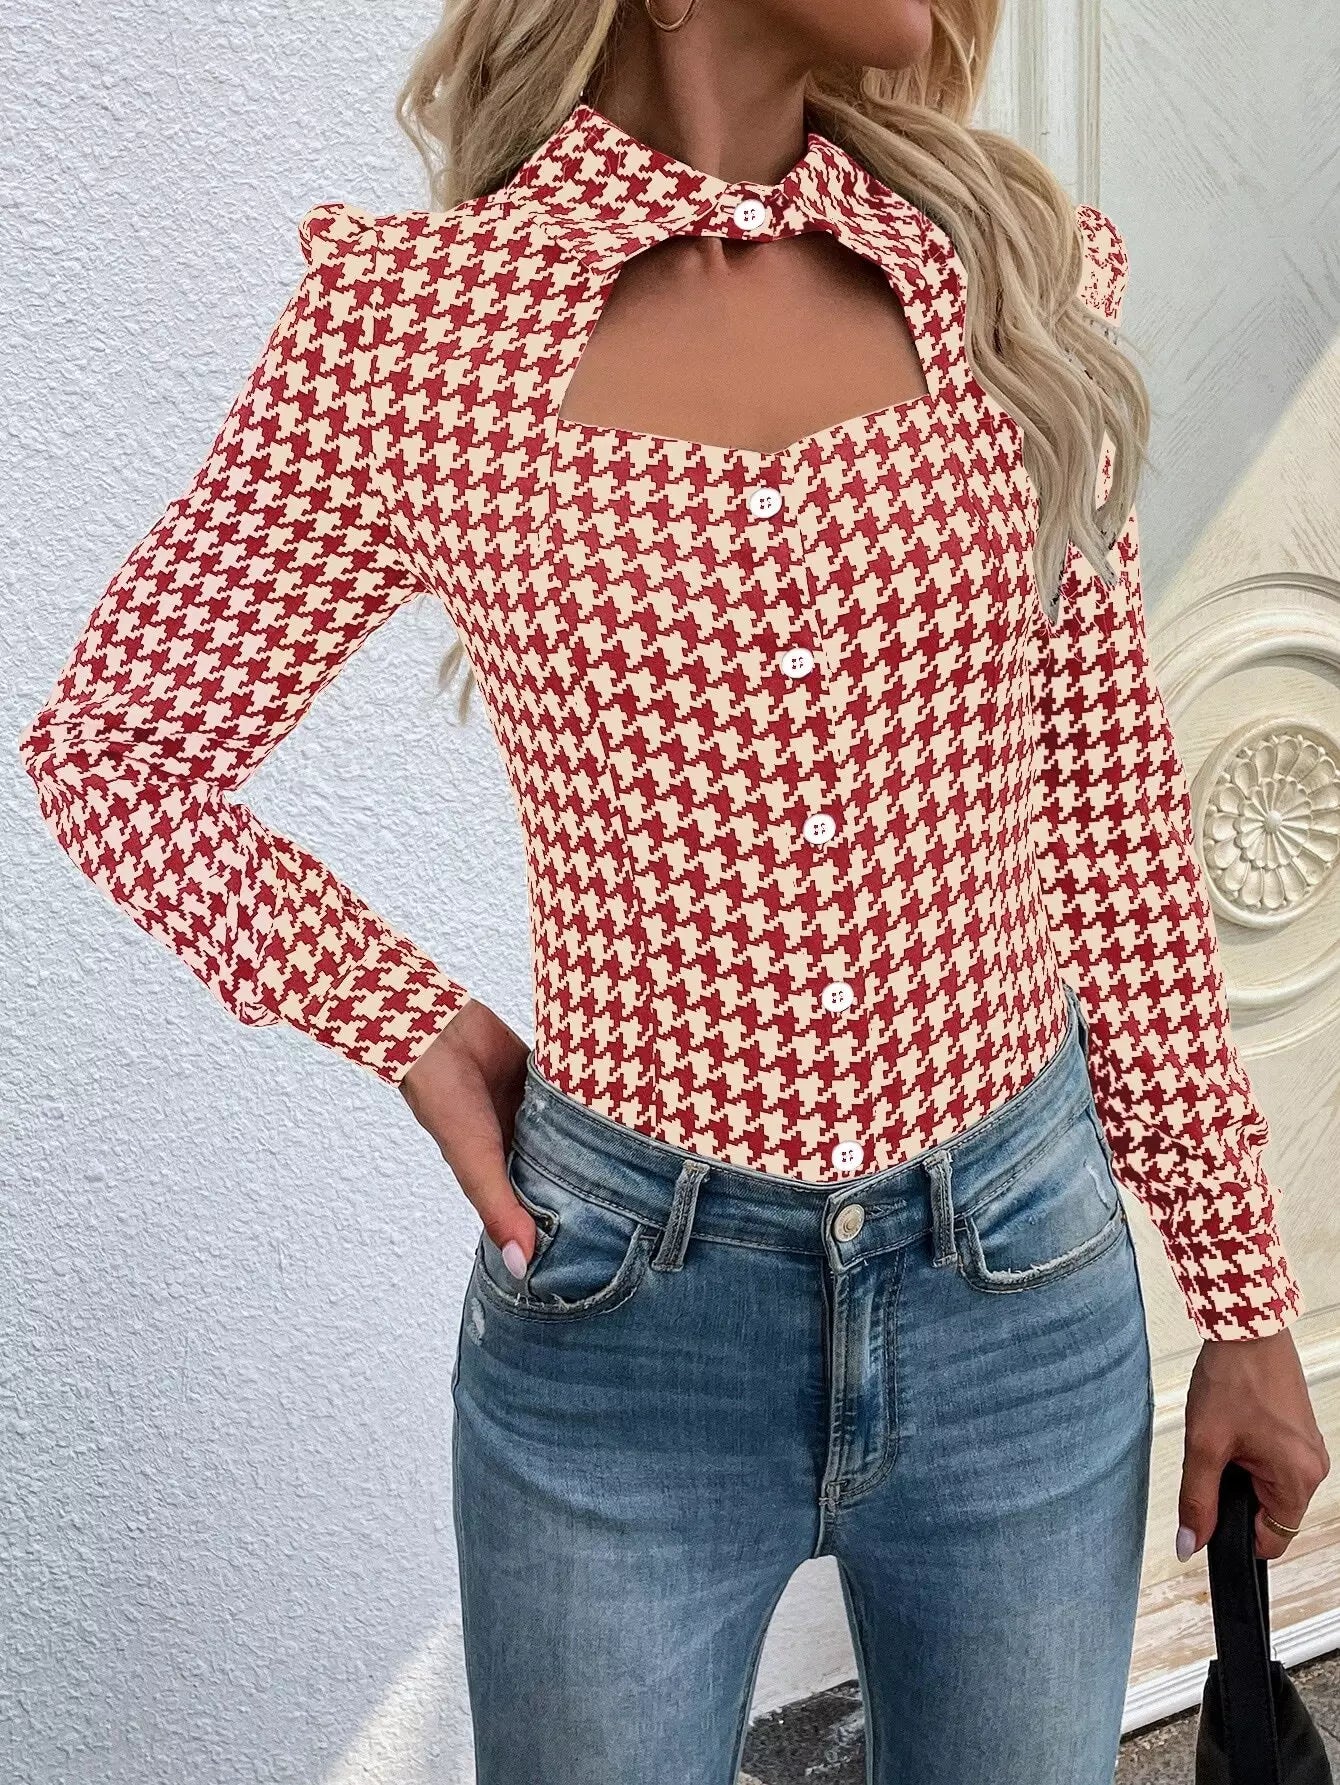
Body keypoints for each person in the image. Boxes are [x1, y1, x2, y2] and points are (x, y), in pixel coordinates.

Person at [18, 1, 1329, 1779]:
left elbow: (1108, 821)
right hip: (621, 1330)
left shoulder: (1006, 279)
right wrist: (411, 1026)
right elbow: (116, 748)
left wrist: (1242, 1298)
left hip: (1019, 1294)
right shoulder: (419, 333)